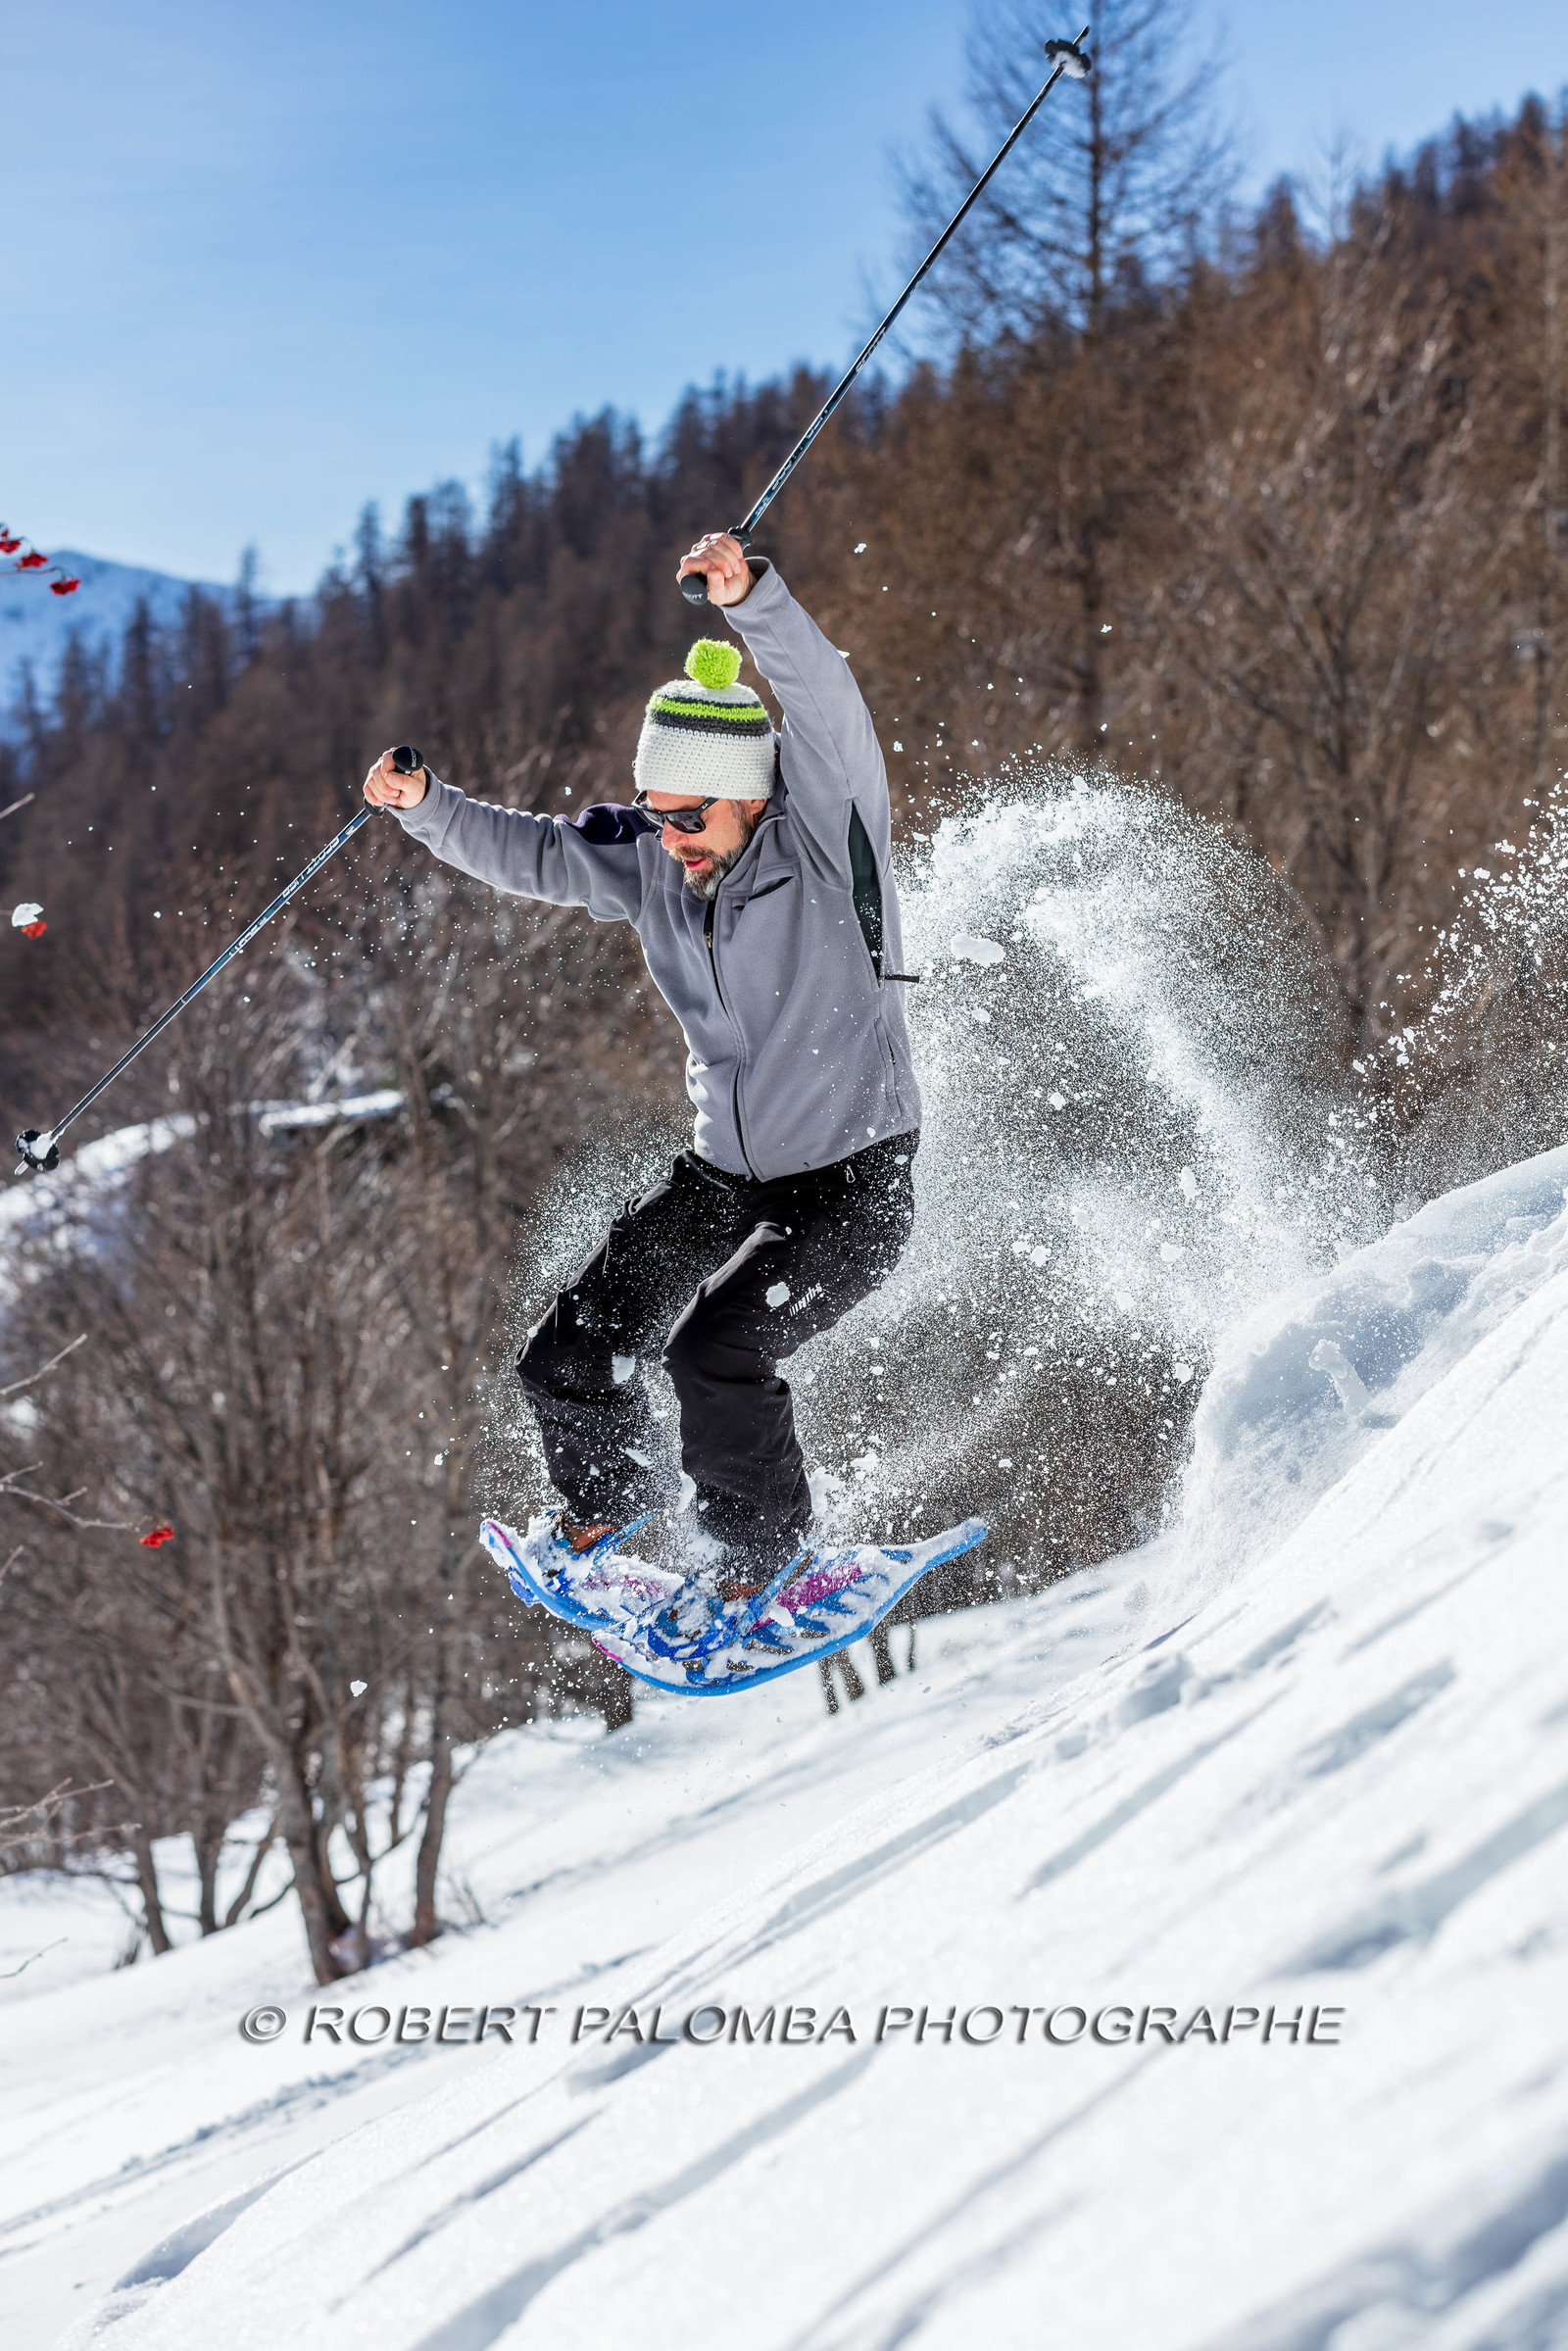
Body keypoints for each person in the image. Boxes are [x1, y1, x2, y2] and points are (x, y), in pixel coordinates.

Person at [364, 532, 920, 1594]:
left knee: (715, 1355)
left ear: (750, 794)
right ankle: (609, 1497)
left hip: (853, 1181)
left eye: (689, 817)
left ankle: (768, 1559)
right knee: (567, 1356)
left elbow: (826, 703)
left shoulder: (827, 835)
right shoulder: (655, 862)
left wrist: (751, 600)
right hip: (723, 1173)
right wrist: (425, 807)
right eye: (657, 816)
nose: (670, 840)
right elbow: (531, 851)